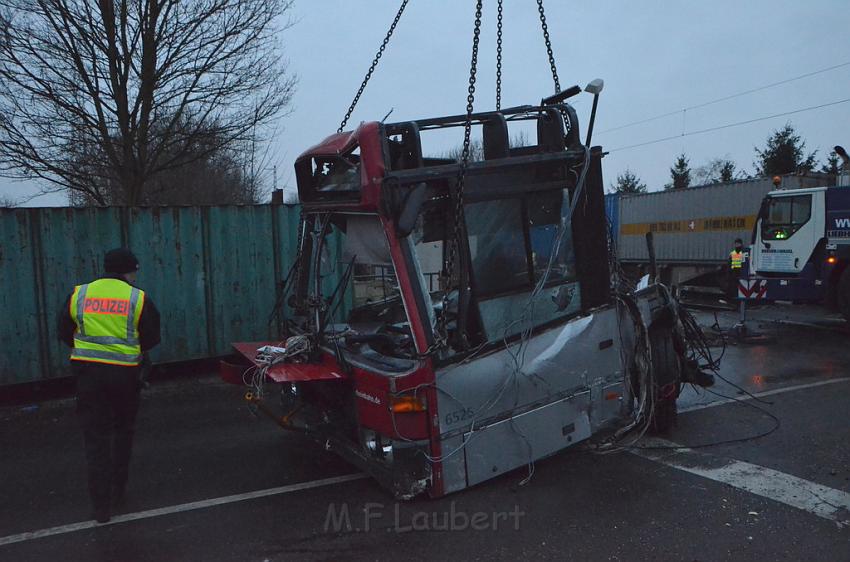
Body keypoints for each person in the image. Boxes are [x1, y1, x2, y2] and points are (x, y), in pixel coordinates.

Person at [58, 248, 161, 523]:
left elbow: (63, 331)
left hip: (89, 376)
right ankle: (118, 491)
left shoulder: (79, 294)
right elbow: (150, 338)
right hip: (126, 377)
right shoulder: (137, 298)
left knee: (96, 439)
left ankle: (101, 507)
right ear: (129, 270)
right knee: (123, 432)